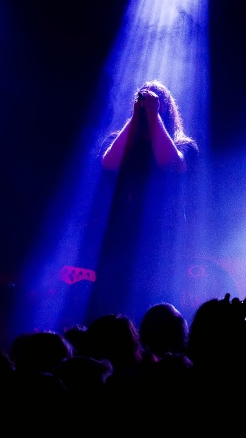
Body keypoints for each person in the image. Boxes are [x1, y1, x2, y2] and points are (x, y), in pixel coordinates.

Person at [87, 80, 199, 323]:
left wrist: (153, 115)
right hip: (120, 242)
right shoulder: (120, 139)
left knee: (160, 311)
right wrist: (137, 117)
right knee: (111, 310)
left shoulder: (184, 145)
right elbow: (108, 162)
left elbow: (171, 162)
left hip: (164, 245)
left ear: (166, 109)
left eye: (154, 106)